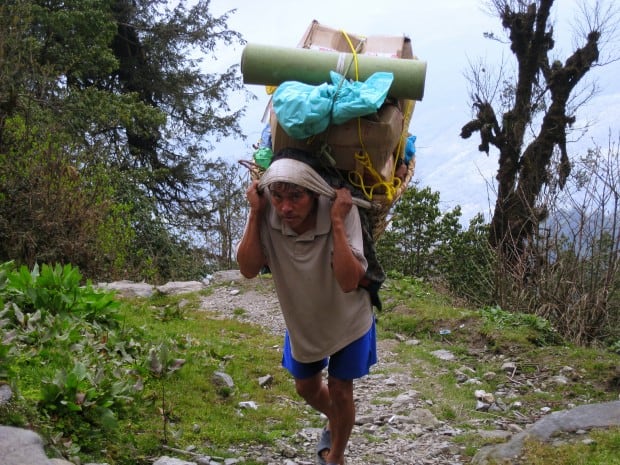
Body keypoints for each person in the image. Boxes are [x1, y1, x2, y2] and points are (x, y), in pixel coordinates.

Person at [236, 154, 377, 465]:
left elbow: (349, 280)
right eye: (278, 197)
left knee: (341, 391)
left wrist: (338, 223)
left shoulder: (339, 209)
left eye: (296, 197)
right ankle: (338, 420)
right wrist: (254, 212)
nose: (285, 208)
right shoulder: (268, 215)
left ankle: (335, 456)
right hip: (304, 318)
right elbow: (247, 269)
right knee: (307, 388)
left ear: (314, 193)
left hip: (347, 316)